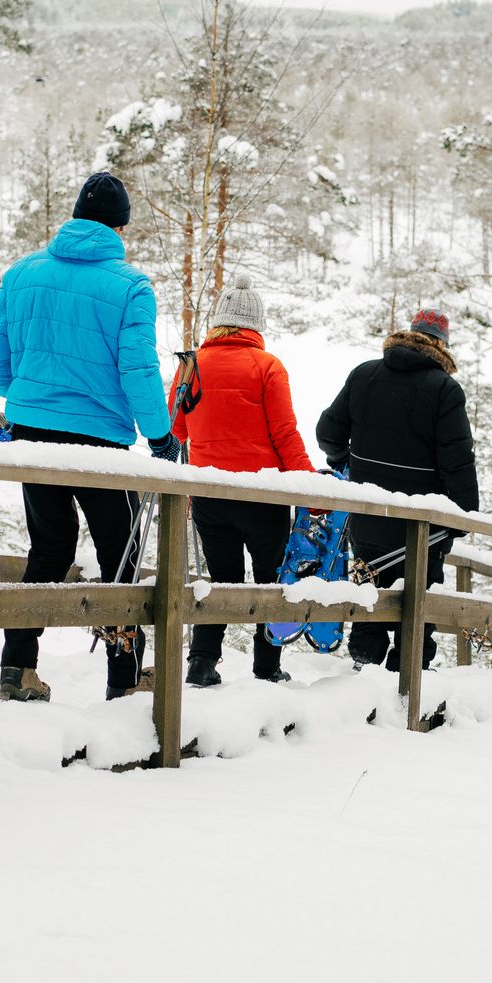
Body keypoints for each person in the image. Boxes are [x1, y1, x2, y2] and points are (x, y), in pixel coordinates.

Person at [0, 172, 177, 703]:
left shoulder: (22, 273)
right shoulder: (131, 286)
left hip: (33, 433)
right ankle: (125, 676)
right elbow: (138, 369)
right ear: (120, 226)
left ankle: (17, 668)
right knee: (122, 555)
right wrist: (160, 437)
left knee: (47, 549)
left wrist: (32, 395)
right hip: (99, 443)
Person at [317, 309, 479, 672]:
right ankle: (407, 685)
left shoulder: (364, 374)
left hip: (368, 514)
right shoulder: (445, 390)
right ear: (441, 345)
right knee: (417, 605)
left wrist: (347, 462)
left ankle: (363, 671)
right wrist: (464, 514)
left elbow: (327, 432)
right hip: (422, 525)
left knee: (368, 596)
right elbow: (456, 461)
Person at [171, 282, 315, 687]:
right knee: (271, 581)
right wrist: (310, 489)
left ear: (218, 322)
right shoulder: (268, 366)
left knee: (221, 580)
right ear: (256, 325)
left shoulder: (191, 365)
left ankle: (201, 661)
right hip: (262, 495)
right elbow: (285, 434)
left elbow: (176, 429)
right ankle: (266, 666)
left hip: (209, 493)